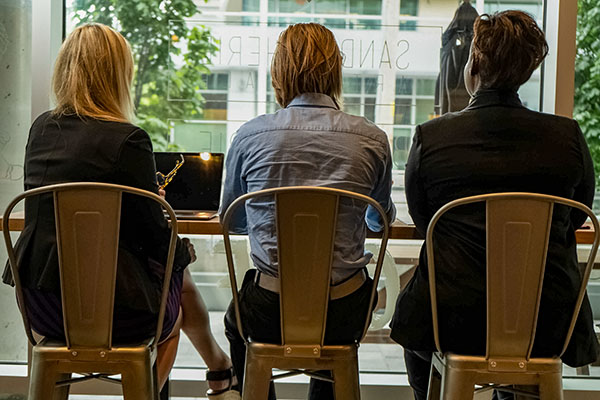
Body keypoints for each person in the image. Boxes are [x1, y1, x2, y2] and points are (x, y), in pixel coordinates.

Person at [1, 23, 237, 399]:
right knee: (175, 300)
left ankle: (220, 368)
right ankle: (215, 373)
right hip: (118, 313)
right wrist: (156, 206)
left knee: (174, 280)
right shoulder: (129, 139)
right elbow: (154, 239)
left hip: (42, 304)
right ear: (117, 74)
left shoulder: (40, 130)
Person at [390, 10, 599, 400]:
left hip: (453, 317)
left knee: (414, 321)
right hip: (547, 320)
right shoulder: (566, 137)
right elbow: (574, 216)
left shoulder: (431, 137)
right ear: (527, 71)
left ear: (474, 64)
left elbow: (425, 222)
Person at [220, 23, 396, 400]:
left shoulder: (250, 136)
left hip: (269, 308)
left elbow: (232, 220)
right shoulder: (372, 139)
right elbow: (379, 221)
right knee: (333, 325)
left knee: (236, 322)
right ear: (336, 71)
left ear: (278, 72)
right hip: (345, 311)